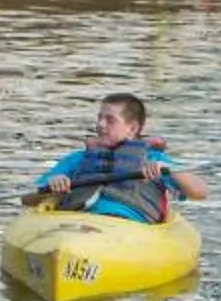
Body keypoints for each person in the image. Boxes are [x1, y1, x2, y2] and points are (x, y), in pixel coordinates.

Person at [33, 93, 207, 224]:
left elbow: (200, 192)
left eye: (110, 120)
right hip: (77, 222)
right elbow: (28, 199)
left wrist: (168, 171)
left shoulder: (152, 159)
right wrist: (52, 185)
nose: (100, 124)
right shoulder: (78, 159)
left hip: (126, 227)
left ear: (132, 129)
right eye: (99, 118)